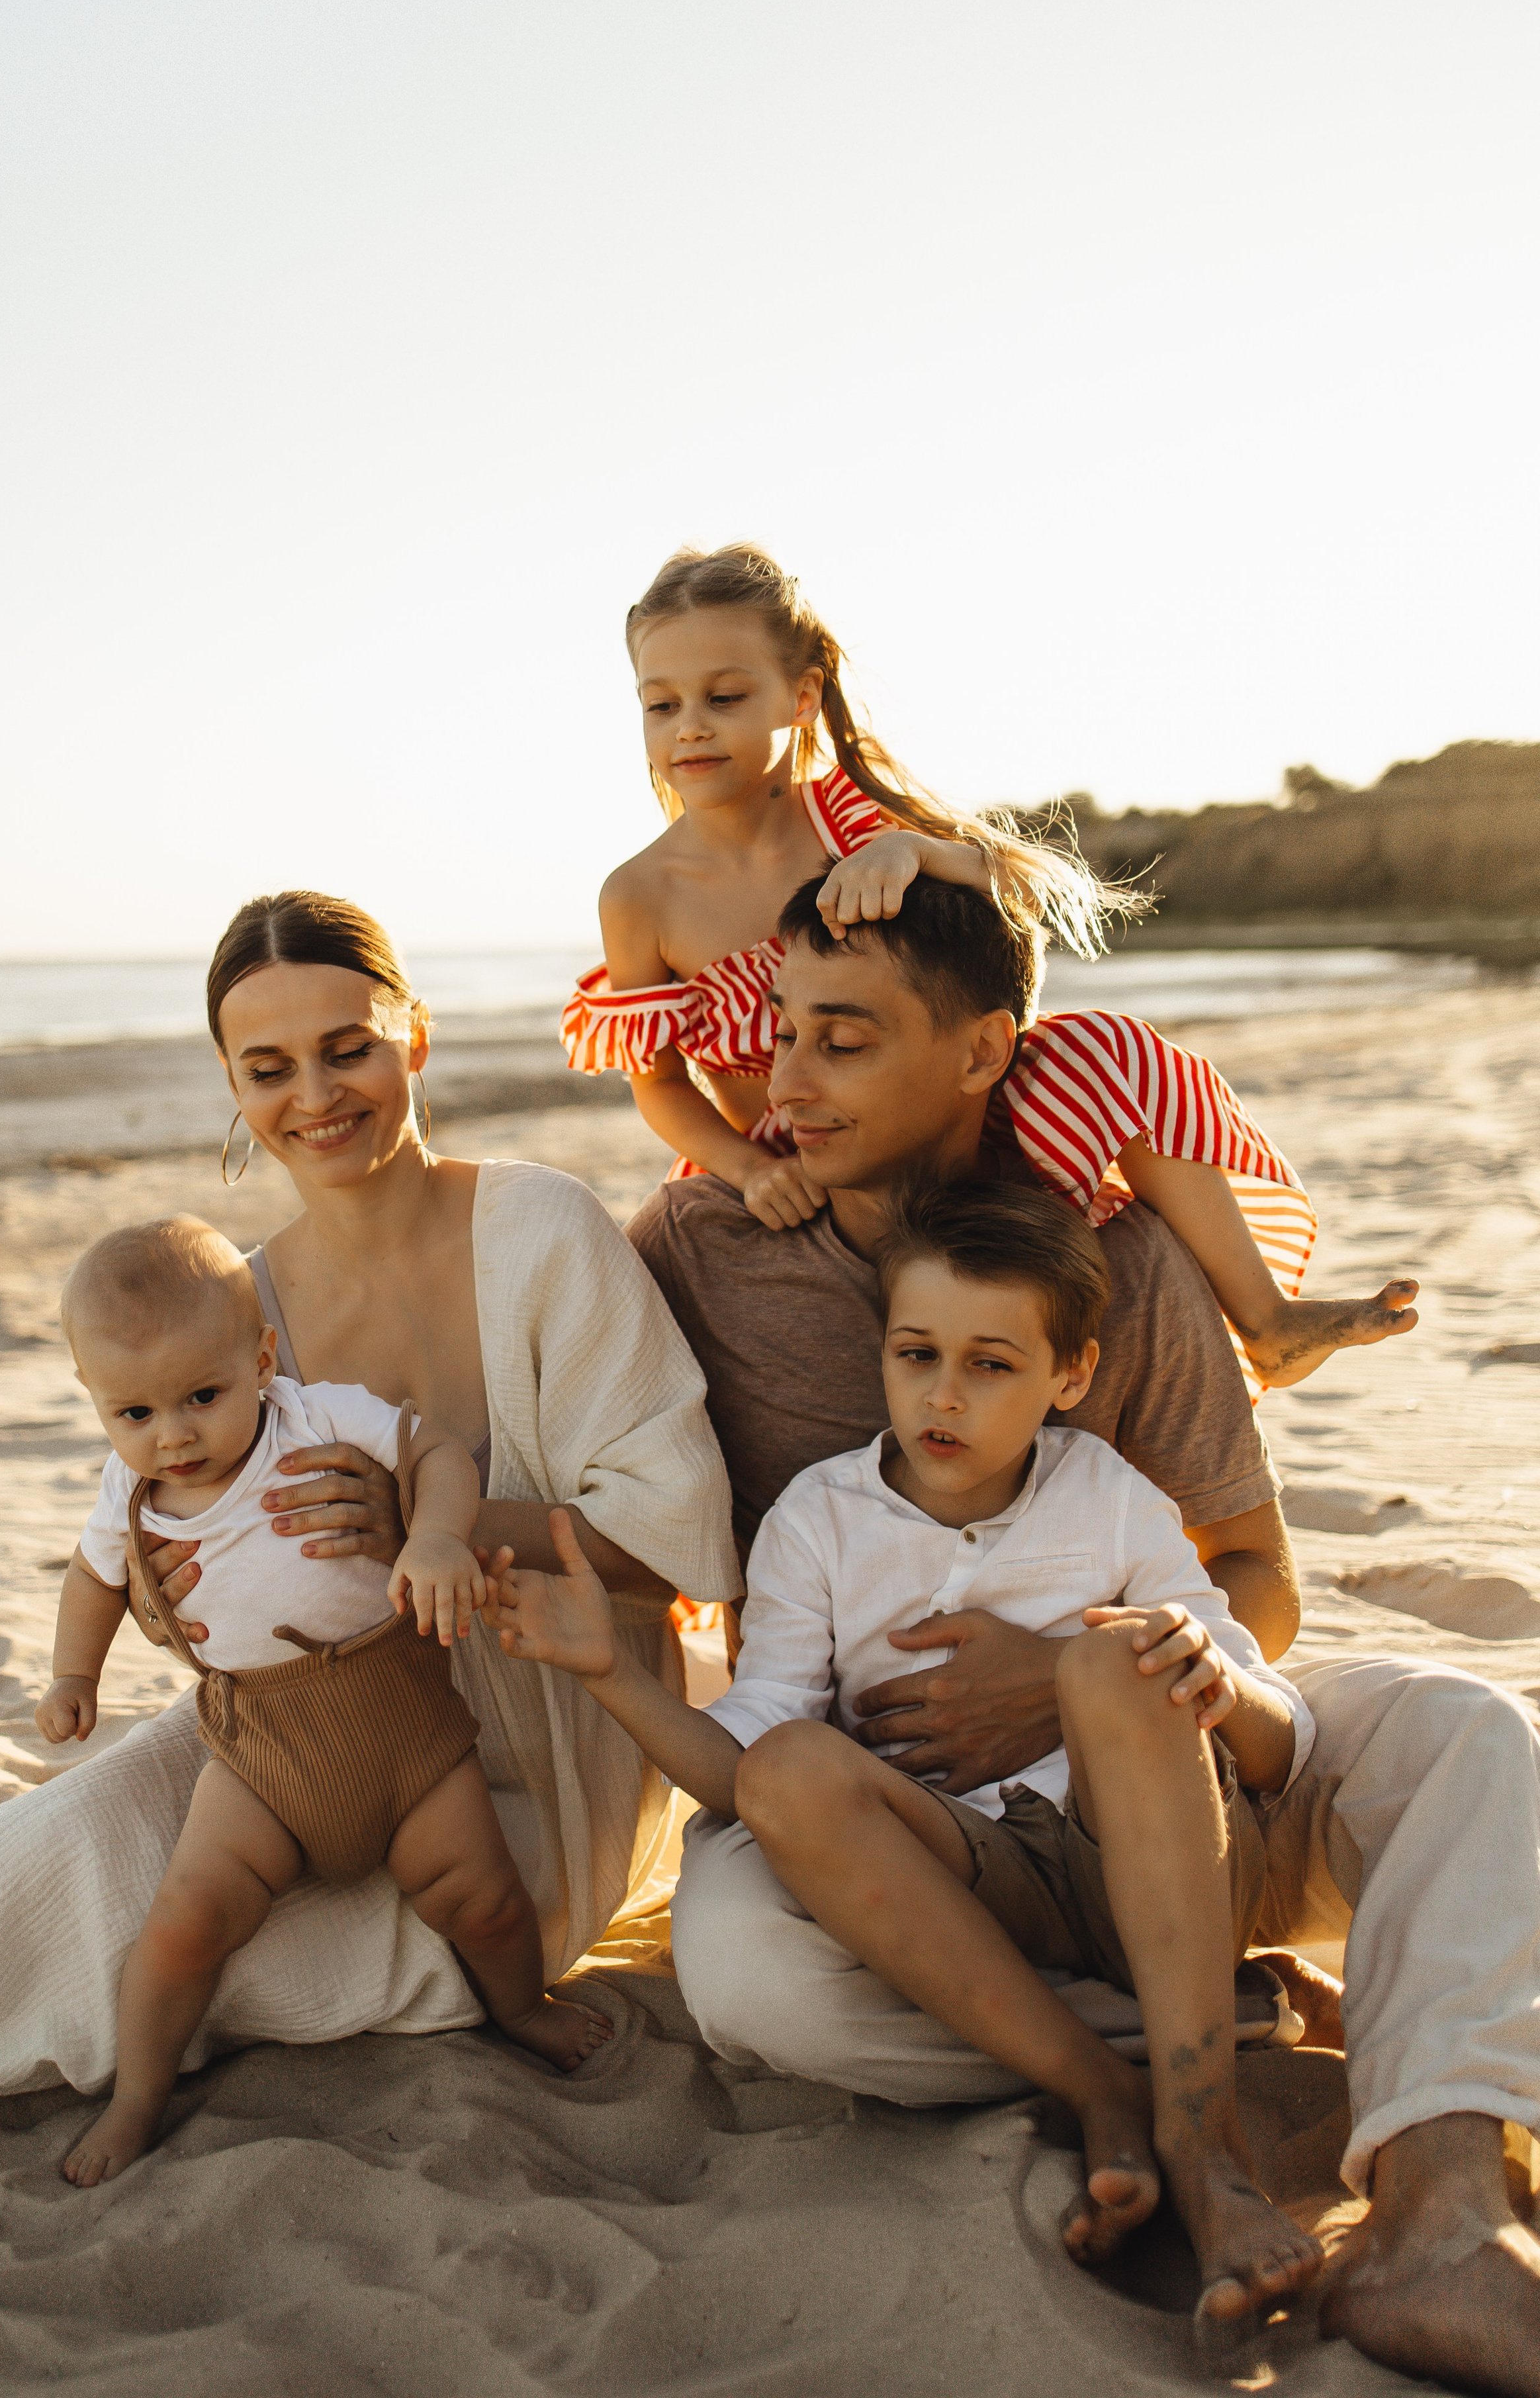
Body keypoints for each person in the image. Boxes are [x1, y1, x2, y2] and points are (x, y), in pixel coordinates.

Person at [635, 869, 1540, 2397]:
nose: (779, 1083)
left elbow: (1253, 1579)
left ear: (984, 1051)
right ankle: (1216, 2024)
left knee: (1464, 1731)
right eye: (780, 1033)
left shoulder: (1115, 1251)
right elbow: (578, 1466)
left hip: (1175, 1769)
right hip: (921, 1839)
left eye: (841, 1041)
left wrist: (1076, 1681)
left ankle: (1440, 2215)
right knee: (744, 1977)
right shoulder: (703, 1246)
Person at [0, 890, 738, 2111]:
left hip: (541, 1740)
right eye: (268, 1068)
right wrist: (161, 1602)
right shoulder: (239, 1305)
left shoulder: (542, 1228)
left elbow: (682, 1547)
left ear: (414, 1035)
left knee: (223, 1967)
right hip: (301, 1722)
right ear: (230, 1080)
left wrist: (438, 1525)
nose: (314, 1096)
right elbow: (192, 1568)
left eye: (347, 1048)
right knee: (75, 1840)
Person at [490, 1178, 1322, 2337]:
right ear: (880, 1350)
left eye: (991, 1365)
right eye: (916, 1353)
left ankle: (1204, 2131)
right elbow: (743, 1776)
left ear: (1067, 1377)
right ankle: (1099, 2090)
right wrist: (607, 1672)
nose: (943, 1394)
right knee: (788, 1768)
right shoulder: (818, 1522)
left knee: (1110, 1663)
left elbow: (1275, 1733)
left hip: (1150, 1857)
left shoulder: (1112, 1499)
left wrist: (1207, 1675)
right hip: (978, 1884)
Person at [563, 539, 1418, 1387]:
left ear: (800, 696)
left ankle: (1265, 1320)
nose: (692, 726)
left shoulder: (852, 816)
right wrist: (751, 1169)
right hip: (793, 1148)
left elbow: (1019, 900)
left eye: (724, 696)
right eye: (660, 705)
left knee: (1110, 1047)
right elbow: (662, 1085)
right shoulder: (641, 895)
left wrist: (915, 854)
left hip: (949, 1117)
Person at [40, 1215, 610, 2187]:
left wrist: (434, 1538)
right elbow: (93, 1581)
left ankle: (522, 2010)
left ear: (261, 1358)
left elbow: (435, 1453)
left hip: (407, 1733)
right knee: (186, 1921)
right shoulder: (123, 1497)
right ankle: (139, 2094)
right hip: (262, 1751)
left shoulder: (318, 1418)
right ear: (97, 1405)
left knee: (483, 1899)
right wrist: (72, 1675)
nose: (173, 1435)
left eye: (202, 1397)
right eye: (133, 1415)